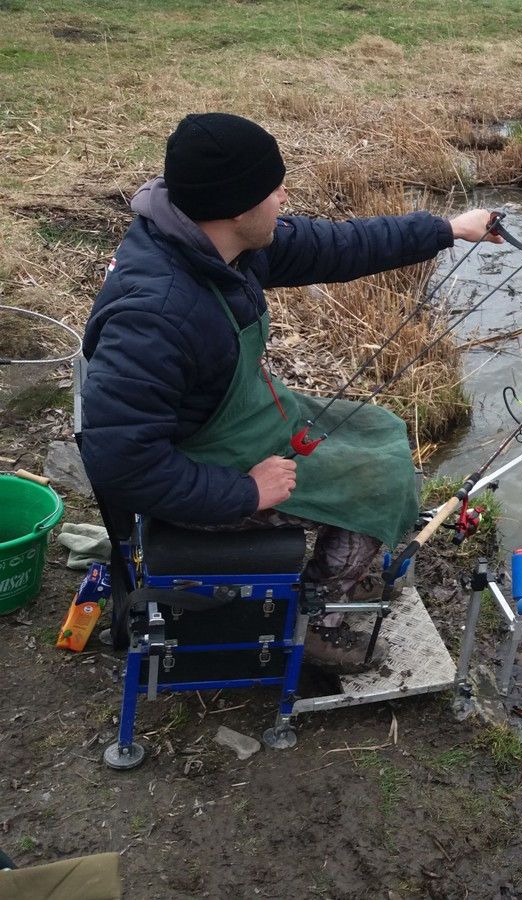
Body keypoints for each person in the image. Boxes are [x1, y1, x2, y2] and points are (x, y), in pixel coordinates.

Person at [80, 112, 500, 672]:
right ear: (234, 205)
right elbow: (122, 465)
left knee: (381, 430)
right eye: (271, 188)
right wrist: (245, 494)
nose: (283, 195)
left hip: (238, 417)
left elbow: (336, 245)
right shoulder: (156, 315)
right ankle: (315, 624)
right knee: (379, 477)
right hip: (205, 464)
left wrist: (447, 230)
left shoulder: (215, 242)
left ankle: (336, 575)